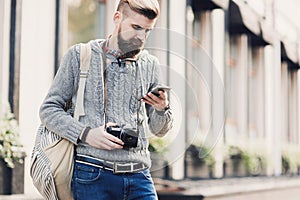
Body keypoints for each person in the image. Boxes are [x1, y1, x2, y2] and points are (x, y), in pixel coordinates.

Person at [39, 0, 173, 199]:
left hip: (140, 176)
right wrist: (86, 134)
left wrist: (163, 109)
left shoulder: (150, 64)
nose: (141, 37)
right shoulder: (79, 55)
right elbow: (48, 109)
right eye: (135, 28)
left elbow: (159, 130)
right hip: (92, 173)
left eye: (147, 31)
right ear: (117, 18)